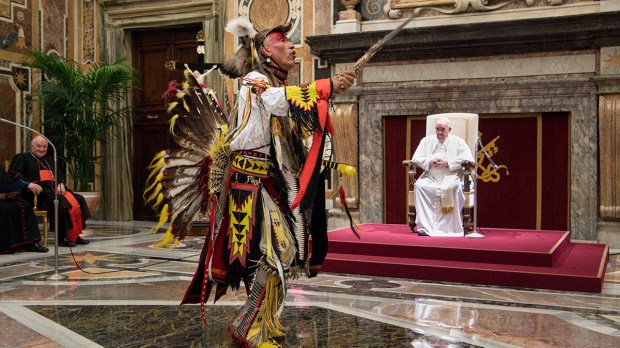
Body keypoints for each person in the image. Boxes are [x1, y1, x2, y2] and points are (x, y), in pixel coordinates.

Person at [179, 19, 357, 347]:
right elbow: (277, 100)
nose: (291, 46)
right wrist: (326, 84)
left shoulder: (272, 81)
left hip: (265, 180)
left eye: (291, 43)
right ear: (265, 50)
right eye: (283, 42)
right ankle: (250, 326)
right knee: (277, 253)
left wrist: (332, 88)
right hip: (247, 182)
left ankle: (256, 322)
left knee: (282, 255)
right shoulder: (256, 79)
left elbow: (291, 112)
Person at [9, 136, 90, 247]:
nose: (42, 149)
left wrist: (61, 184)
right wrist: (29, 184)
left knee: (79, 198)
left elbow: (59, 176)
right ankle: (61, 237)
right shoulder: (22, 157)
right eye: (39, 146)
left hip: (52, 191)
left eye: (44, 147)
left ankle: (74, 235)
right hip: (35, 194)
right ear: (32, 146)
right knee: (59, 201)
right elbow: (14, 174)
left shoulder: (50, 160)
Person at [411, 117, 474, 237]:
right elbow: (416, 159)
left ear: (449, 129)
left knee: (454, 187)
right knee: (420, 186)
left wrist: (448, 163)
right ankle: (425, 227)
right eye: (437, 129)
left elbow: (468, 160)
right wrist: (429, 162)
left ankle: (450, 229)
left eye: (443, 130)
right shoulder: (426, 141)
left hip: (453, 176)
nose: (439, 132)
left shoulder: (458, 142)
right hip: (431, 176)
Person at [0, 164, 48, 254]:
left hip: (4, 196)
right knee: (6, 208)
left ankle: (31, 243)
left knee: (25, 205)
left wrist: (13, 192)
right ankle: (8, 245)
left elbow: (7, 182)